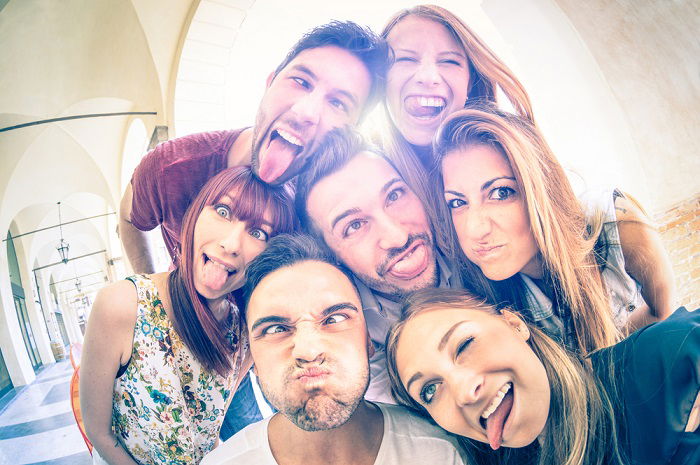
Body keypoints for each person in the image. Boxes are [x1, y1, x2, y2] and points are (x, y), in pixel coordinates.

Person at [119, 20, 386, 438]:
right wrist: (152, 292)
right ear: (269, 83)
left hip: (254, 358)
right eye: (300, 81)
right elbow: (130, 215)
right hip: (176, 338)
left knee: (249, 437)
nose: (306, 111)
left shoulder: (320, 210)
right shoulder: (173, 167)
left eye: (339, 103)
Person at [81, 167, 296, 464]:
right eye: (223, 210)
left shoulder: (244, 336)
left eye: (258, 233)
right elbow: (99, 432)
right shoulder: (121, 305)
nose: (231, 244)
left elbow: (208, 428)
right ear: (194, 215)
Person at [431, 103, 675, 354]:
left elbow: (669, 323)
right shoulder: (479, 293)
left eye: (501, 192)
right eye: (458, 202)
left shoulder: (617, 223)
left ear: (542, 188)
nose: (475, 229)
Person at [202, 234, 467, 465]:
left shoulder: (443, 452)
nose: (308, 350)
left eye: (335, 319)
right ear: (253, 362)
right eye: (275, 329)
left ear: (368, 341)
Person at [386, 288, 699, 465]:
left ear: (514, 324)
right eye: (429, 391)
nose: (464, 392)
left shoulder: (673, 354)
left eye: (464, 344)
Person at [295, 128, 461, 403]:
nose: (398, 237)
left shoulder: (470, 236)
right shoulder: (349, 337)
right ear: (331, 256)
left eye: (394, 196)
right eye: (355, 225)